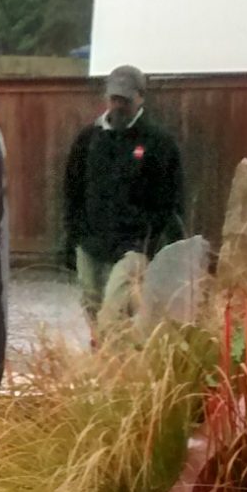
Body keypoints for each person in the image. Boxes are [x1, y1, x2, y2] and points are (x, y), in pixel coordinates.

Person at [62, 64, 185, 342]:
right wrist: (73, 239)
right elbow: (71, 191)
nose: (118, 105)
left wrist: (156, 245)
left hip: (134, 247)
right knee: (92, 309)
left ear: (140, 98)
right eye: (114, 98)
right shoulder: (88, 139)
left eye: (125, 100)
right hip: (90, 242)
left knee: (113, 313)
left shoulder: (158, 143)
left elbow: (171, 200)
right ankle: (106, 369)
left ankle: (114, 369)